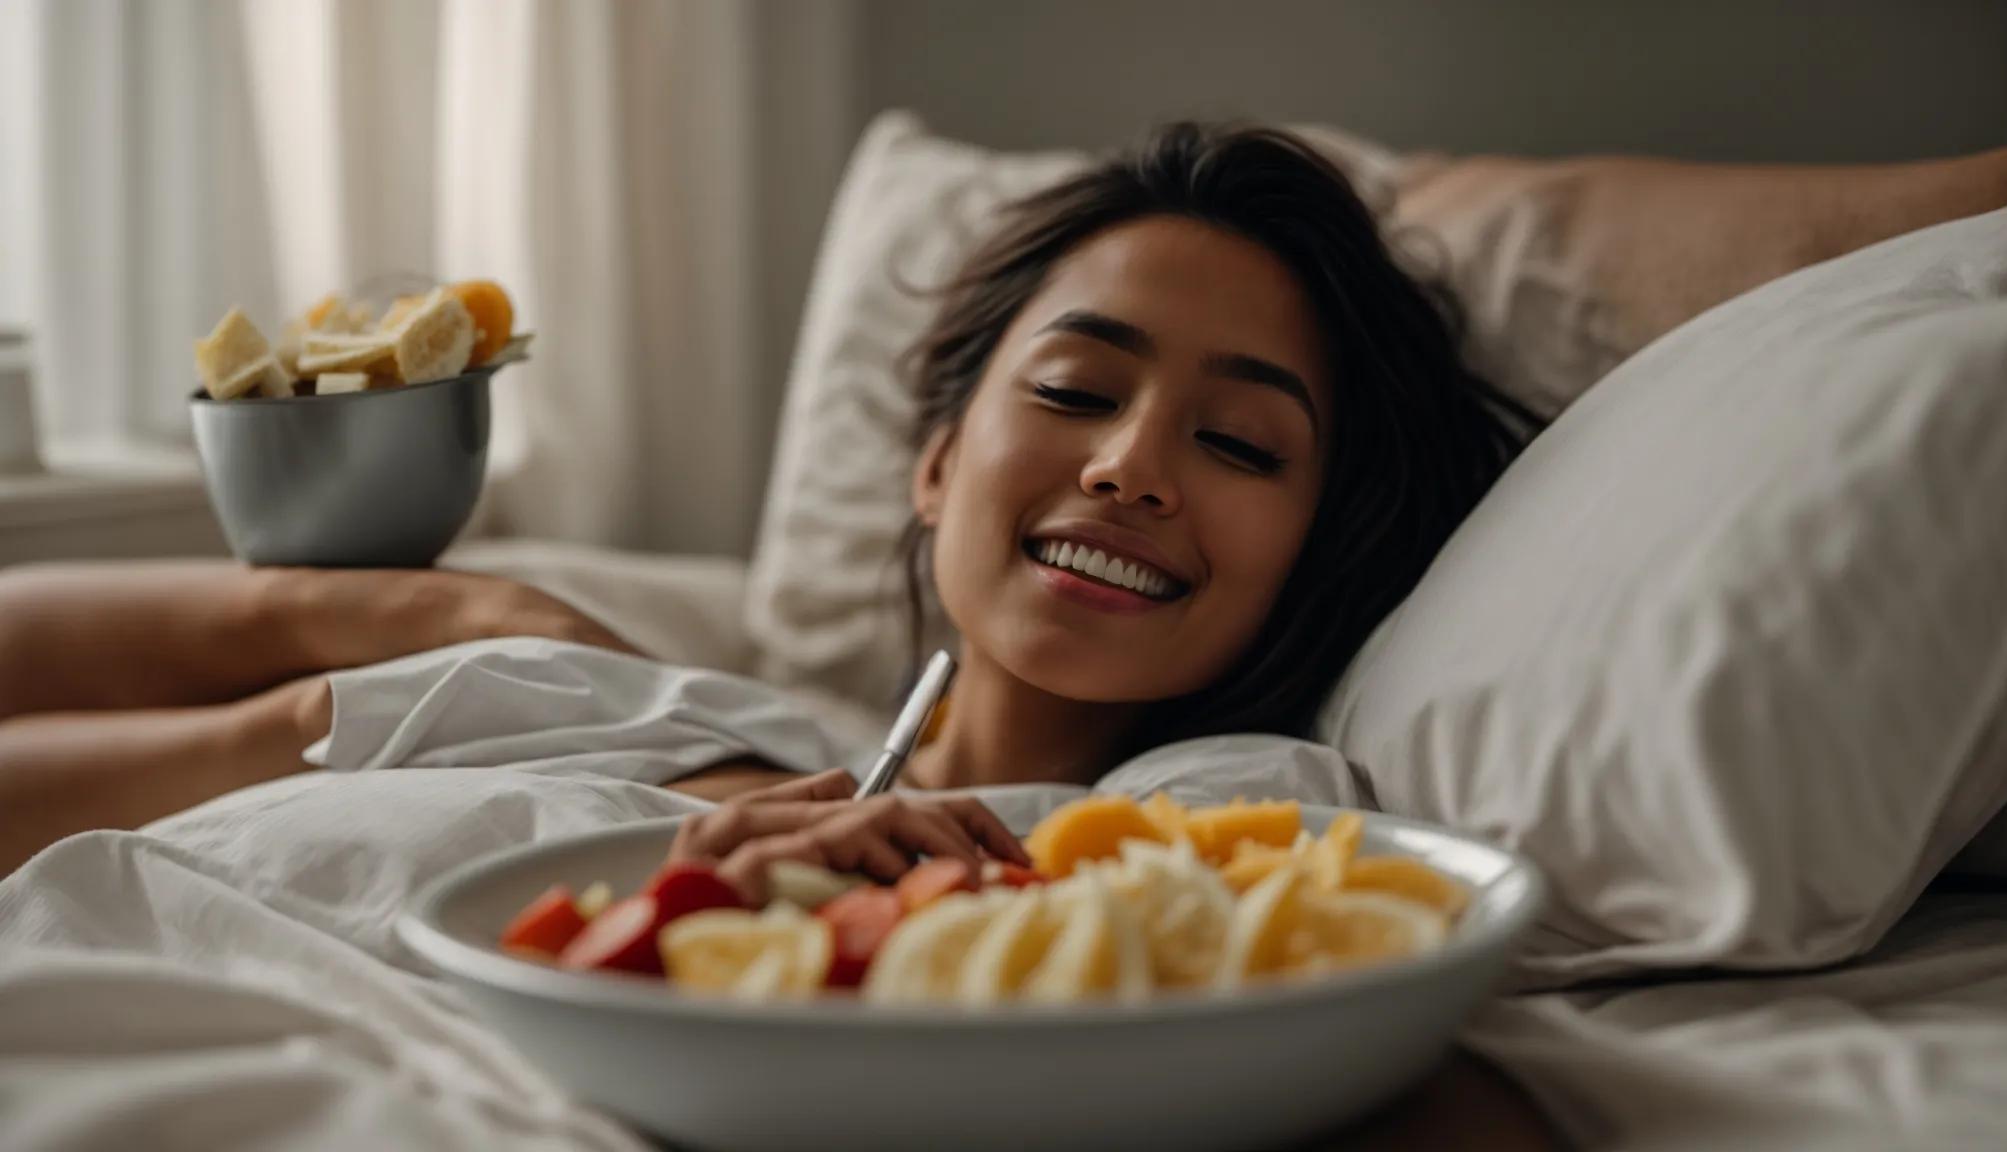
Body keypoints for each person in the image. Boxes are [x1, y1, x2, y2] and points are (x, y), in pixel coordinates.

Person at [0, 123, 1555, 1148]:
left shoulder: (1230, 827)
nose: (1129, 466)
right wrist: (375, 629)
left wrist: (708, 952)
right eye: (1078, 392)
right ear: (936, 460)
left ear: (1316, 551)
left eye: (1240, 445)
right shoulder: (588, 685)